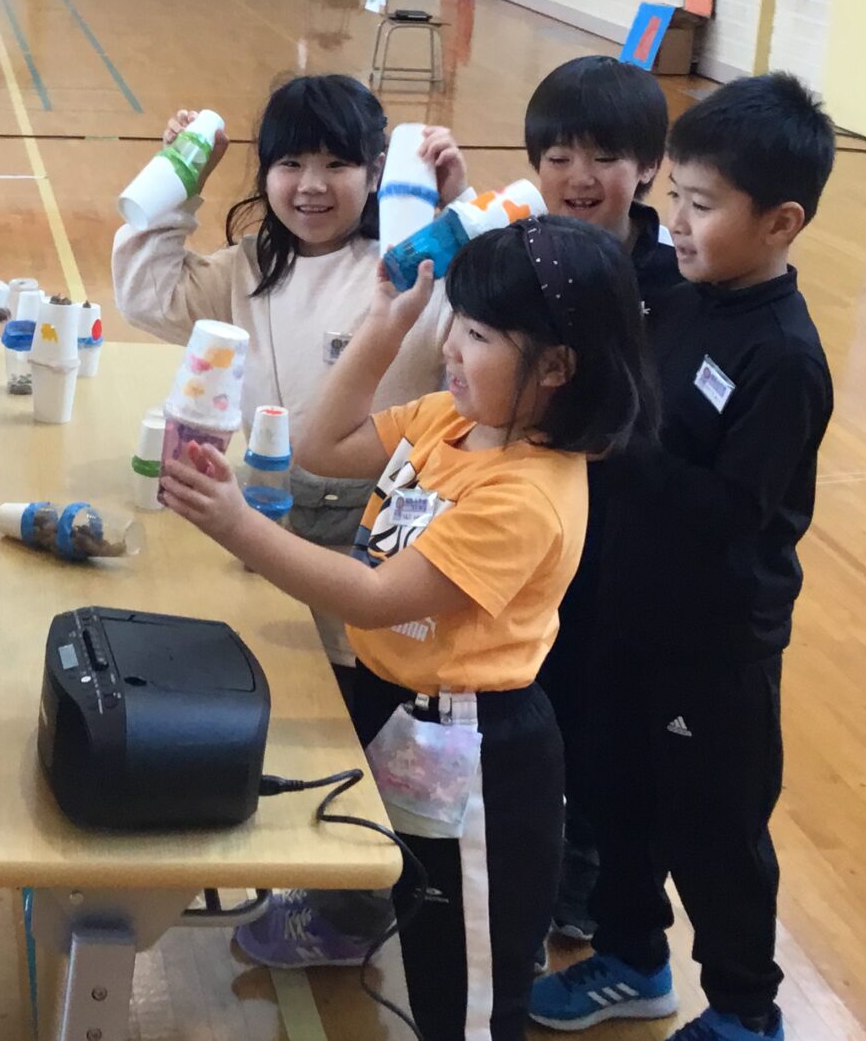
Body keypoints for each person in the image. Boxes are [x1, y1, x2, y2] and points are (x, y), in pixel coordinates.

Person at [163, 217, 656, 1040]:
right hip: (395, 699)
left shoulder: (526, 494)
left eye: (480, 335)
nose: (454, 349)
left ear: (558, 368)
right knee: (394, 885)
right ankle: (347, 922)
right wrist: (387, 324)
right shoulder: (454, 421)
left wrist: (235, 523)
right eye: (456, 326)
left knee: (458, 978)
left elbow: (373, 595)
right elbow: (322, 442)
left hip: (475, 754)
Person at [529, 73, 836, 1041]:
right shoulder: (682, 296)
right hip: (628, 614)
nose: (680, 224)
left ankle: (746, 1011)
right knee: (616, 797)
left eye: (702, 207)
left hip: (713, 649)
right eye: (678, 200)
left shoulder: (783, 357)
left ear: (781, 222)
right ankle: (631, 958)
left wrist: (618, 441)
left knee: (715, 837)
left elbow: (732, 513)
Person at [113, 75, 466, 685]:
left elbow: (505, 319)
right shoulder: (246, 269)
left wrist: (461, 207)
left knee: (350, 676)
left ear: (376, 171)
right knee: (267, 669)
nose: (311, 185)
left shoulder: (415, 270)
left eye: (336, 164)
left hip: (380, 534)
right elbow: (147, 293)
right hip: (266, 519)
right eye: (290, 163)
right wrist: (179, 178)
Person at [524, 54, 680, 945]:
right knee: (538, 699)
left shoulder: (676, 280)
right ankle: (539, 849)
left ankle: (590, 874)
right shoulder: (523, 255)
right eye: (559, 155)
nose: (579, 177)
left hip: (627, 553)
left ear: (647, 165)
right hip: (539, 537)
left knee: (606, 726)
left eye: (604, 156)